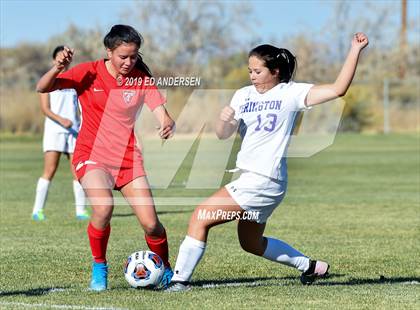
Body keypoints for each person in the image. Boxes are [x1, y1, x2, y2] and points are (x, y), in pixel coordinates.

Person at [166, 33, 369, 292]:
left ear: (275, 71)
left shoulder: (291, 93)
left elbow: (338, 88)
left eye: (258, 71)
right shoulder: (242, 95)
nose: (252, 75)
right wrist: (224, 119)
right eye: (250, 70)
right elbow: (222, 134)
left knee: (200, 216)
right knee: (251, 243)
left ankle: (178, 282)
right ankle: (310, 266)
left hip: (263, 179)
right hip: (256, 180)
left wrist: (354, 49)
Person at [36, 25, 176, 291]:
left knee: (151, 224)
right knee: (103, 208)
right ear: (108, 51)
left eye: (134, 56)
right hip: (92, 155)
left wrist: (167, 123)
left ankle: (166, 270)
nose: (129, 62)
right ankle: (99, 265)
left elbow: (161, 112)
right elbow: (42, 87)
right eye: (123, 56)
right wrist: (57, 67)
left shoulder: (140, 79)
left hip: (127, 158)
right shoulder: (88, 71)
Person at [32, 46, 89, 221]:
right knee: (49, 170)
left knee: (78, 172)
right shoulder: (49, 80)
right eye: (59, 57)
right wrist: (61, 120)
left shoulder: (73, 80)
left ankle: (80, 211)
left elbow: (80, 107)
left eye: (66, 57)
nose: (63, 59)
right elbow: (45, 109)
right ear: (54, 60)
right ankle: (38, 210)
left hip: (73, 132)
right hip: (54, 131)